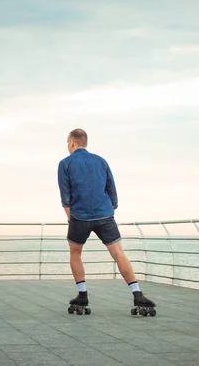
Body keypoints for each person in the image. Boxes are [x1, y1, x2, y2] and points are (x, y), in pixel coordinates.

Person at [57, 128, 156, 311]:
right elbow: (112, 190)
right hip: (105, 214)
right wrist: (110, 210)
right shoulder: (101, 161)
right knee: (119, 253)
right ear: (85, 142)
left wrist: (72, 219)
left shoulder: (65, 163)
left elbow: (66, 196)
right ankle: (138, 294)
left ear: (71, 143)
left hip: (79, 215)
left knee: (75, 252)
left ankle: (82, 295)